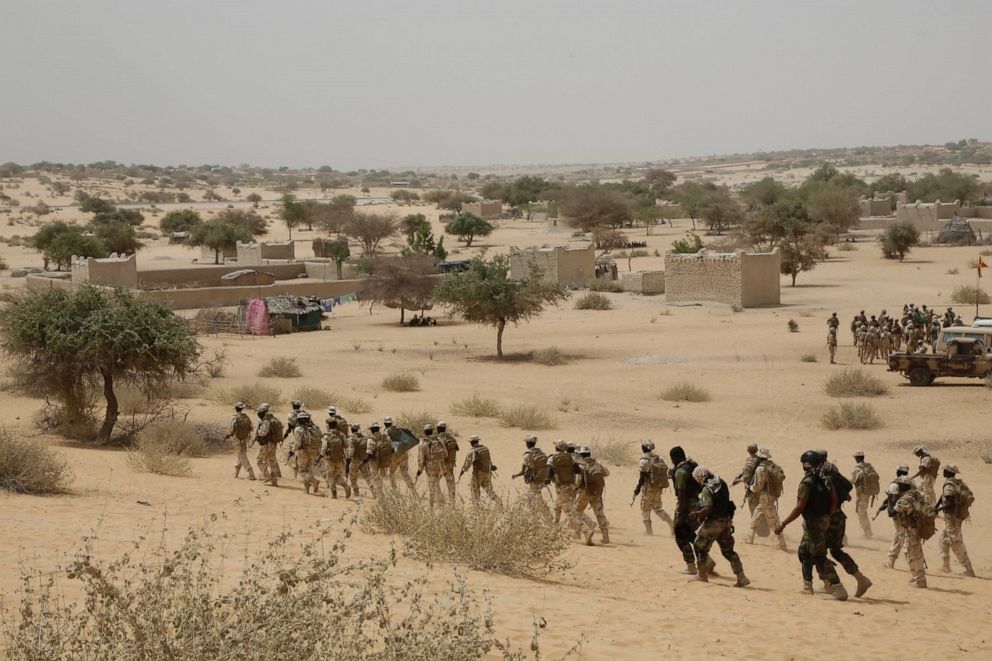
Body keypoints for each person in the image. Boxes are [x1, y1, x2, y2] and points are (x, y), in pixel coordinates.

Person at [775, 451, 847, 600]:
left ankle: (838, 588)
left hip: (813, 522)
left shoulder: (807, 482)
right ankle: (807, 587)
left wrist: (783, 524)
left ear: (805, 464)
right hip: (823, 520)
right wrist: (827, 516)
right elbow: (834, 501)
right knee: (803, 552)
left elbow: (799, 507)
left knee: (819, 557)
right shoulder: (825, 479)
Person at [820, 452, 873, 598]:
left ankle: (829, 584)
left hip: (828, 519)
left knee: (817, 552)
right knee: (836, 551)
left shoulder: (822, 473)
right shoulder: (833, 471)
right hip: (839, 517)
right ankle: (861, 578)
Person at [688, 466, 749, 587]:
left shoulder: (707, 489)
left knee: (699, 546)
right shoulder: (721, 482)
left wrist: (696, 514)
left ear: (700, 477)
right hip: (726, 521)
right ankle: (741, 577)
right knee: (728, 551)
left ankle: (701, 575)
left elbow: (708, 508)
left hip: (714, 522)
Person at [670, 446, 709, 575]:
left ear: (675, 458)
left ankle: (691, 566)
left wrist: (680, 514)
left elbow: (681, 495)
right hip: (697, 502)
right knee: (688, 531)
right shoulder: (692, 465)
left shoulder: (680, 472)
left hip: (687, 505)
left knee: (679, 534)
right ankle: (706, 559)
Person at [547, 440, 593, 543]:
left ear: (556, 448)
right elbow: (578, 470)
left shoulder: (552, 458)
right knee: (557, 507)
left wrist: (549, 479)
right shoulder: (570, 458)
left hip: (561, 488)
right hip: (571, 487)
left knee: (569, 512)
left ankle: (586, 530)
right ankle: (553, 532)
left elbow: (549, 470)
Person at [936, 465, 976, 577]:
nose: (943, 472)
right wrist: (936, 505)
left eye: (944, 471)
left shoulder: (949, 485)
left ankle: (969, 569)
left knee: (956, 542)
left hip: (952, 517)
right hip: (956, 516)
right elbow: (943, 496)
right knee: (943, 537)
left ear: (948, 472)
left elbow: (949, 502)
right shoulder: (956, 482)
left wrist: (938, 509)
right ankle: (946, 566)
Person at [892, 477, 929, 588]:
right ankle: (915, 577)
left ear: (903, 486)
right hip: (917, 528)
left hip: (911, 529)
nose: (898, 486)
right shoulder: (916, 494)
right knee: (911, 553)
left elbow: (892, 511)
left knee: (914, 554)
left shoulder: (905, 499)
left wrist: (891, 498)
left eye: (899, 485)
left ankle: (920, 580)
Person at [633, 440, 674, 535]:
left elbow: (642, 476)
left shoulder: (644, 460)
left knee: (645, 509)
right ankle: (671, 523)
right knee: (658, 508)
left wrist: (638, 488)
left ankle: (649, 531)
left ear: (644, 448)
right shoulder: (658, 458)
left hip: (648, 487)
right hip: (658, 487)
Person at [749, 450, 787, 550]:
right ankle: (750, 538)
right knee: (757, 514)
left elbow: (759, 485)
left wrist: (752, 488)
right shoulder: (771, 465)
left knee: (773, 519)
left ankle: (782, 543)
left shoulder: (760, 469)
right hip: (772, 495)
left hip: (765, 496)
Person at [875, 464, 910, 569]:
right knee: (900, 537)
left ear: (898, 472)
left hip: (899, 515)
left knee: (902, 538)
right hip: (909, 514)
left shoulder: (895, 485)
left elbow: (893, 498)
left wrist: (891, 511)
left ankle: (914, 565)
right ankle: (891, 561)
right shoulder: (911, 483)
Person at [574, 446, 610, 544]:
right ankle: (606, 536)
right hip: (597, 492)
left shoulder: (581, 465)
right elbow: (607, 472)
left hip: (585, 492)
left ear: (581, 455)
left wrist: (576, 489)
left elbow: (577, 481)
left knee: (576, 512)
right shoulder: (597, 464)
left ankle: (585, 531)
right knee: (600, 514)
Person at [515, 436, 551, 519]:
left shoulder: (527, 455)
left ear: (527, 444)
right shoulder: (541, 453)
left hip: (534, 481)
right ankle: (537, 518)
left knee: (534, 500)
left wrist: (516, 475)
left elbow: (523, 471)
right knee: (534, 499)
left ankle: (545, 519)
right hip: (542, 479)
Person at [289, 411, 323, 495]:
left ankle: (314, 481)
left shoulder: (298, 429)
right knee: (308, 470)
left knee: (302, 471)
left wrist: (292, 451)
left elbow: (298, 443)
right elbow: (321, 438)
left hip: (303, 451)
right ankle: (306, 489)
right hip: (314, 451)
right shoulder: (315, 428)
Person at [460, 435, 499, 503]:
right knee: (489, 490)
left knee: (474, 490)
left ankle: (476, 509)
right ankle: (498, 501)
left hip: (477, 474)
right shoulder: (485, 448)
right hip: (487, 472)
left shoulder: (472, 451)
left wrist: (463, 471)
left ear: (472, 442)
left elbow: (467, 465)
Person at [317, 417, 350, 498]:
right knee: (338, 474)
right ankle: (345, 486)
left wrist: (321, 455)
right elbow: (346, 445)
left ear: (329, 426)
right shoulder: (341, 434)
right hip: (339, 459)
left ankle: (334, 494)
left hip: (329, 459)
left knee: (330, 475)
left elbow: (324, 447)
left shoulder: (327, 436)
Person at [416, 424, 448, 507]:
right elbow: (446, 454)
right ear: (432, 431)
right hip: (440, 466)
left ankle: (431, 506)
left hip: (430, 468)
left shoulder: (423, 443)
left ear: (425, 432)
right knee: (437, 484)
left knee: (431, 487)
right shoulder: (439, 440)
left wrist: (420, 470)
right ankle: (441, 504)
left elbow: (422, 459)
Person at [850, 452, 878, 539]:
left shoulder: (857, 469)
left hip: (861, 493)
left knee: (861, 512)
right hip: (869, 493)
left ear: (857, 459)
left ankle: (867, 532)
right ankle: (867, 531)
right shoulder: (869, 466)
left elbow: (852, 480)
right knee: (863, 511)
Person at [383, 417, 416, 490]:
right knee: (404, 472)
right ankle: (412, 488)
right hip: (404, 454)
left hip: (394, 456)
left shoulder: (386, 432)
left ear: (385, 424)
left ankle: (394, 490)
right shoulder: (400, 429)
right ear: (391, 423)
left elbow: (387, 443)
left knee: (391, 473)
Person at [254, 403, 283, 486]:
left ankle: (267, 476)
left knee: (258, 460)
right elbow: (281, 426)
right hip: (274, 443)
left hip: (266, 444)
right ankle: (274, 481)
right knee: (272, 461)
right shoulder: (274, 418)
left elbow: (263, 433)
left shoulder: (266, 421)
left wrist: (258, 432)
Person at [732, 444, 761, 524]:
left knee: (754, 511)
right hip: (764, 489)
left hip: (754, 490)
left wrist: (737, 480)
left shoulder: (750, 462)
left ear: (748, 451)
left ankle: (756, 532)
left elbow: (746, 478)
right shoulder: (761, 459)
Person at [226, 402, 256, 480]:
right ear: (242, 409)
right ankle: (236, 473)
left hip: (237, 439)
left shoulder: (234, 418)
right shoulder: (246, 417)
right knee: (241, 455)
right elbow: (252, 428)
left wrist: (228, 435)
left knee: (242, 455)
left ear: (236, 409)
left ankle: (251, 473)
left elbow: (230, 429)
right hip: (245, 438)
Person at [364, 422, 393, 491]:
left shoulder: (370, 440)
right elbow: (391, 448)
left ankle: (379, 491)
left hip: (374, 460)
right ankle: (379, 489)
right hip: (383, 460)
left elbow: (369, 453)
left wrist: (365, 461)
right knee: (380, 475)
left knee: (375, 475)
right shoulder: (385, 437)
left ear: (372, 430)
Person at [346, 423, 373, 496]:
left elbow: (351, 450)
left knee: (353, 478)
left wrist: (348, 459)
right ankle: (374, 492)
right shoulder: (365, 438)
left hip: (355, 460)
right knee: (368, 477)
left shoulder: (351, 439)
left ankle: (356, 492)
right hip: (363, 461)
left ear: (352, 430)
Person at [436, 421, 459, 500]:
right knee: (451, 484)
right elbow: (457, 449)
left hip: (441, 465)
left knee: (435, 482)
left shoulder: (438, 439)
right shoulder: (452, 438)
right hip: (450, 464)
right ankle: (452, 503)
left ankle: (440, 500)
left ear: (438, 429)